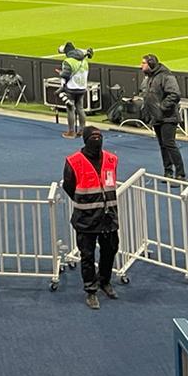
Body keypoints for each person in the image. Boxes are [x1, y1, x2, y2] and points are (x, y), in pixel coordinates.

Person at [62, 125, 121, 310]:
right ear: (85, 140)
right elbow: (68, 186)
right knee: (87, 255)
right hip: (85, 218)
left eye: (99, 136)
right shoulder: (73, 161)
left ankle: (105, 281)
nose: (97, 140)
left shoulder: (111, 159)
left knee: (110, 250)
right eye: (93, 137)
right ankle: (91, 290)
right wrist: (85, 201)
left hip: (108, 217)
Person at [140, 53, 185, 180]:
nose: (140, 66)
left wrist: (162, 107)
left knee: (169, 144)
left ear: (151, 64)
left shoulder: (166, 76)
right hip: (156, 117)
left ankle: (180, 173)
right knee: (163, 145)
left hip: (168, 117)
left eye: (143, 63)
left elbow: (175, 94)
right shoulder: (148, 78)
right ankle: (168, 171)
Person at [58, 41, 93, 138]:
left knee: (70, 109)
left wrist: (60, 73)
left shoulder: (68, 61)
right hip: (82, 87)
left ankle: (71, 132)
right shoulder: (84, 61)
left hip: (71, 88)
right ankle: (82, 131)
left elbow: (65, 75)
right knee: (80, 109)